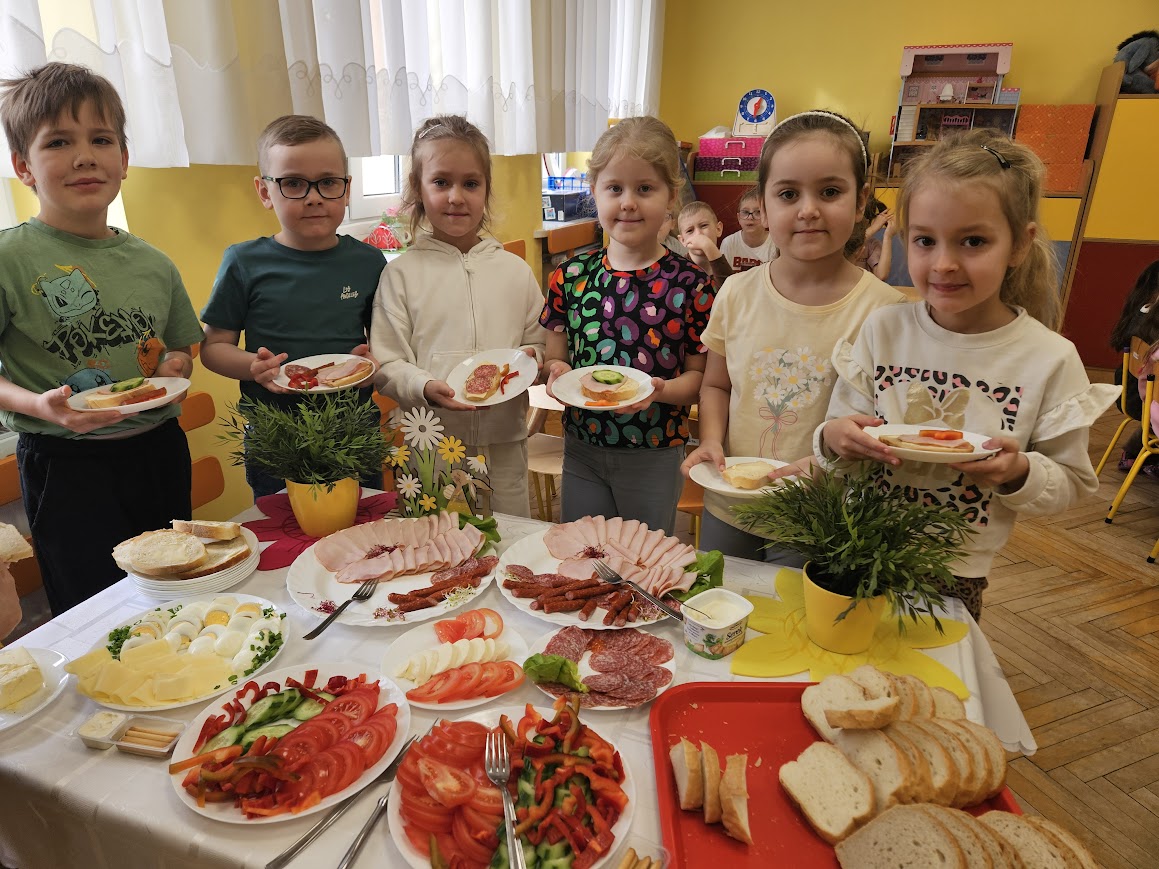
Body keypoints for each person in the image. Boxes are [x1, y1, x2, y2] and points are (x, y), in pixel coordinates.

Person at [817, 130, 1117, 621]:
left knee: (935, 667)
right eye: (925, 241)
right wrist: (834, 438)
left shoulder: (1049, 358)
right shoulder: (882, 329)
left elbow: (1072, 480)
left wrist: (1018, 471)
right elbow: (837, 431)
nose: (944, 264)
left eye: (973, 241)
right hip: (855, 543)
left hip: (954, 568)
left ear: (1019, 244)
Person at [0, 62, 204, 614]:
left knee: (174, 591)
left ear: (124, 159)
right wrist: (38, 406)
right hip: (66, 463)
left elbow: (179, 349)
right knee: (94, 606)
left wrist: (176, 368)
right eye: (59, 142)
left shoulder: (153, 263)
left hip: (158, 450)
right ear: (23, 167)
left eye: (101, 139)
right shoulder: (9, 257)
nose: (85, 156)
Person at [681, 111, 905, 561]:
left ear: (861, 202)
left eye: (830, 192)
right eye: (788, 194)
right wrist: (710, 440)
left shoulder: (886, 312)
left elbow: (887, 424)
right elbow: (716, 384)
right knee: (723, 595)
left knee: (795, 605)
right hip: (732, 501)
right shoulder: (736, 292)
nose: (808, 209)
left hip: (822, 511)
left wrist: (827, 462)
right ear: (763, 208)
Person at [200, 115, 387, 500]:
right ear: (265, 191)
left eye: (328, 182)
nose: (314, 197)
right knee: (283, 529)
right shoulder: (243, 262)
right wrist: (253, 367)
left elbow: (385, 341)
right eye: (294, 183)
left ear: (347, 189)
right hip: (275, 434)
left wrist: (374, 363)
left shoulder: (368, 262)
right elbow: (213, 347)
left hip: (354, 427)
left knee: (366, 526)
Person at [543, 116, 713, 534]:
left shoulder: (692, 285)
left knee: (643, 558)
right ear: (594, 191)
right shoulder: (570, 276)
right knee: (582, 552)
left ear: (671, 196)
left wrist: (660, 391)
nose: (628, 202)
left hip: (655, 450)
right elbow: (556, 357)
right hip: (581, 448)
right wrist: (557, 371)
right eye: (615, 188)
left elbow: (699, 379)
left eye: (645, 188)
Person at [370, 115, 546, 518]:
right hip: (429, 442)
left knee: (508, 535)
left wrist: (532, 361)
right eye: (440, 182)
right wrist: (423, 385)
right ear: (418, 188)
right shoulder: (401, 274)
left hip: (504, 441)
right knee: (435, 542)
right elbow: (387, 361)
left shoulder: (515, 271)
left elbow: (537, 341)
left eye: (470, 183)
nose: (456, 197)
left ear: (486, 189)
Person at [1107, 260, 1159, 472]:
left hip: (1130, 394)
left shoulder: (1138, 312)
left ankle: (1136, 453)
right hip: (1143, 401)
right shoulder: (1152, 320)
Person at [676, 200, 733, 288]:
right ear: (682, 240)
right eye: (690, 230)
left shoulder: (726, 264)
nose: (698, 234)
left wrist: (709, 247)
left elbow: (730, 291)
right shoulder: (679, 272)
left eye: (703, 226)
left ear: (718, 229)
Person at [719, 187, 777, 271]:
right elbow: (723, 276)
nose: (750, 217)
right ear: (739, 218)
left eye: (758, 212)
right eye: (745, 212)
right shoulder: (729, 243)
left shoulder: (776, 243)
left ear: (766, 217)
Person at [848, 195, 896, 282]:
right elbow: (850, 247)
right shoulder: (840, 241)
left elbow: (881, 275)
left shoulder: (871, 244)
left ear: (867, 222)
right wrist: (873, 228)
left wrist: (888, 237)